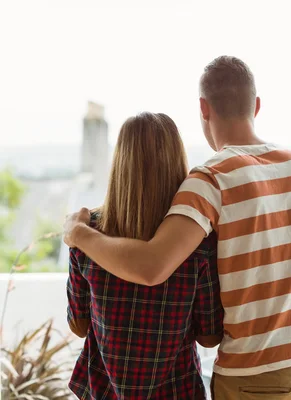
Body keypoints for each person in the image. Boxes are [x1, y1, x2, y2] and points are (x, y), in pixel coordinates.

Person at [63, 56, 291, 400]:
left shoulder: (211, 178)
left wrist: (79, 234)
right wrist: (290, 245)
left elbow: (151, 267)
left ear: (203, 108)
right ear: (256, 106)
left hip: (255, 376)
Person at [66, 112, 223, 400]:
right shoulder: (196, 240)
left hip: (102, 391)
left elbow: (78, 325)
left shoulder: (86, 234)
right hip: (177, 392)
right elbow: (210, 336)